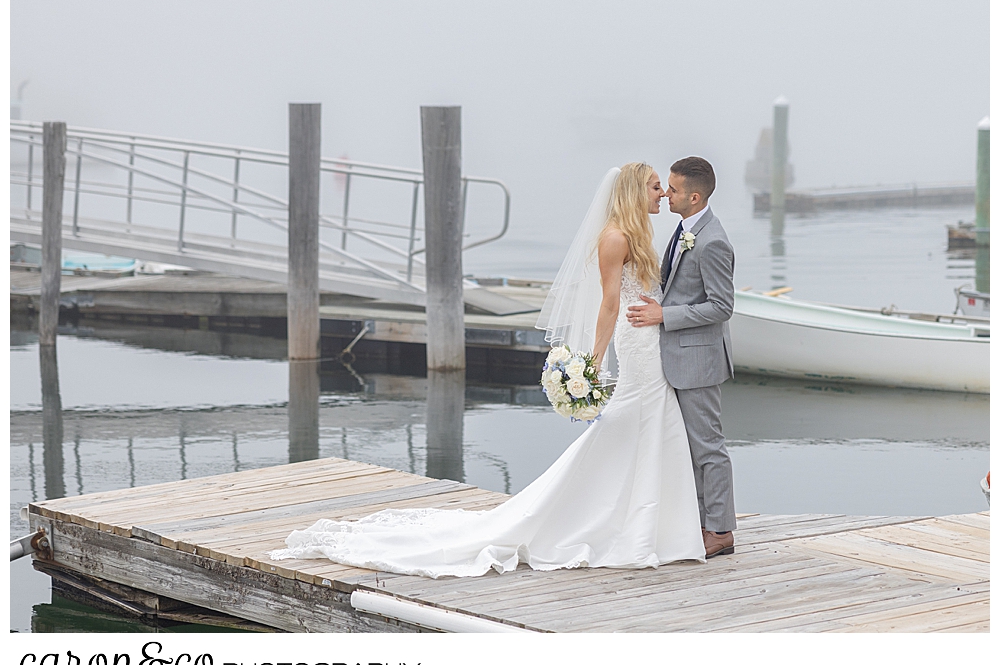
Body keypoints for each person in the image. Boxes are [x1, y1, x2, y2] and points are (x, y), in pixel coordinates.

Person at [269, 163, 706, 578]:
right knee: (625, 425)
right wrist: (593, 360)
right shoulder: (615, 238)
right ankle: (588, 514)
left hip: (651, 339)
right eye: (654, 186)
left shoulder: (643, 235)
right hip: (637, 344)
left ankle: (655, 524)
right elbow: (610, 301)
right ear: (633, 191)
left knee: (653, 427)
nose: (662, 193)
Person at [626, 156, 737, 558]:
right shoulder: (684, 229)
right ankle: (699, 522)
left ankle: (721, 531)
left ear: (694, 196)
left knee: (708, 448)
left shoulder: (712, 240)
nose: (666, 195)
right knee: (688, 448)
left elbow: (722, 307)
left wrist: (663, 315)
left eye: (672, 190)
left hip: (699, 360)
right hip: (676, 357)